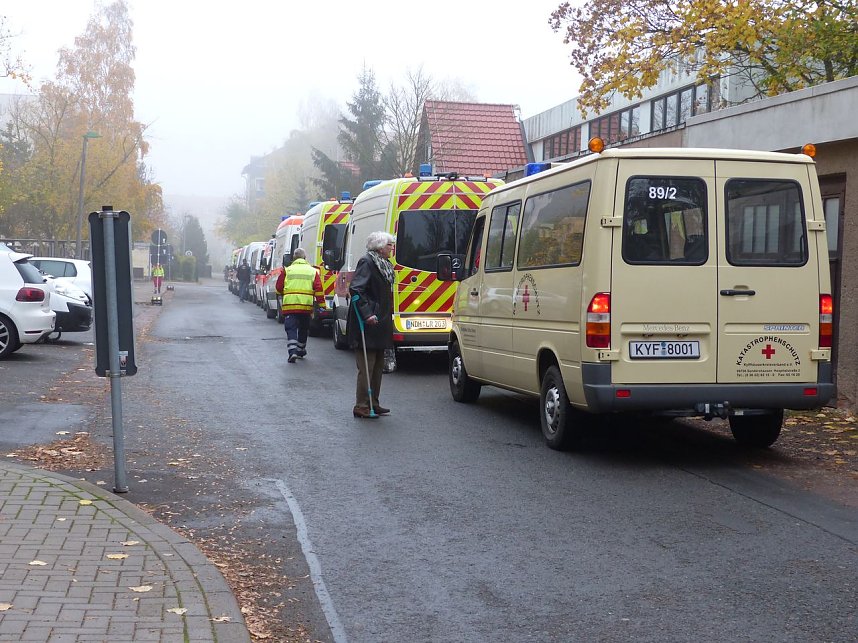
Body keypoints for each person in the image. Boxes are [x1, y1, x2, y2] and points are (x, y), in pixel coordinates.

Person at [347, 231, 395, 418]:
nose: (392, 248)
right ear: (380, 247)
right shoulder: (367, 262)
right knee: (366, 367)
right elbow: (356, 289)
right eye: (390, 245)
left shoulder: (383, 264)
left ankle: (374, 401)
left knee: (377, 366)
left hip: (380, 322)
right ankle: (362, 405)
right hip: (368, 323)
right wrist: (367, 313)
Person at [275, 248, 323, 363]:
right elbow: (319, 289)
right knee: (303, 328)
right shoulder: (312, 271)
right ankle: (301, 350)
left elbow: (278, 288)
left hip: (290, 306)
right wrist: (322, 305)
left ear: (293, 258)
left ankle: (292, 352)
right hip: (305, 306)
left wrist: (283, 294)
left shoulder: (287, 270)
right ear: (305, 258)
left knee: (291, 328)